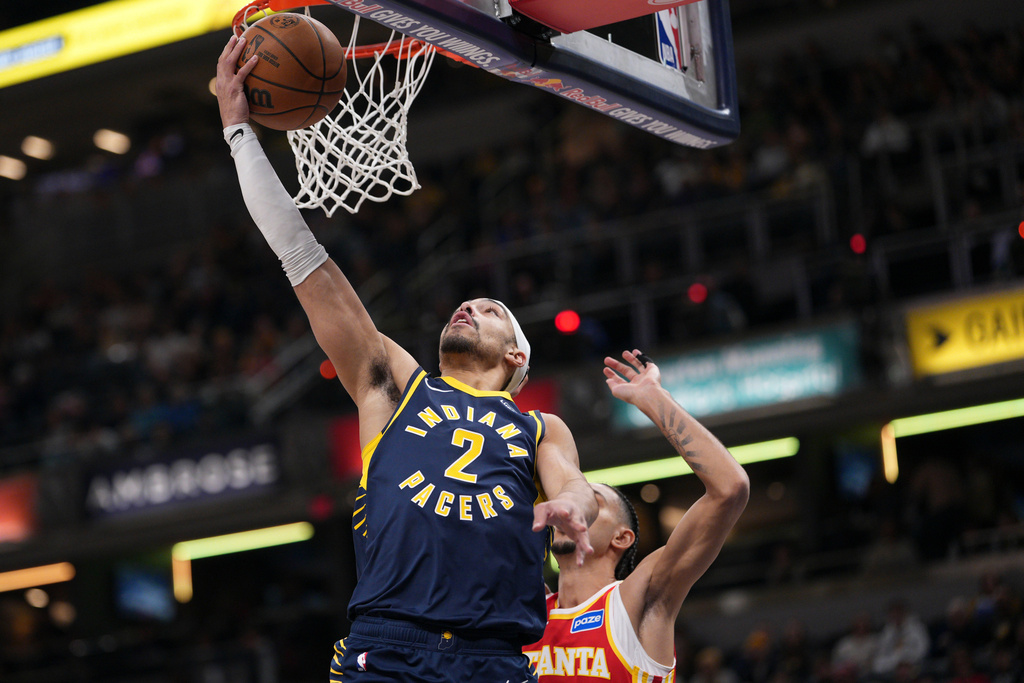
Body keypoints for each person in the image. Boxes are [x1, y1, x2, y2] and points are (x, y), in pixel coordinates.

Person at [215, 34, 598, 683]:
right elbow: (302, 255)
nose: (469, 307)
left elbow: (574, 488)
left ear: (516, 358)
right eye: (467, 304)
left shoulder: (537, 428)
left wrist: (572, 508)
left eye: (490, 309)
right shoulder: (392, 385)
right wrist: (238, 133)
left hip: (494, 656)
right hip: (388, 647)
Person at [523, 350, 750, 681]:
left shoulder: (637, 599)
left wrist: (654, 398)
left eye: (593, 503)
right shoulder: (526, 606)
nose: (574, 508)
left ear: (621, 537)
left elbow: (730, 490)